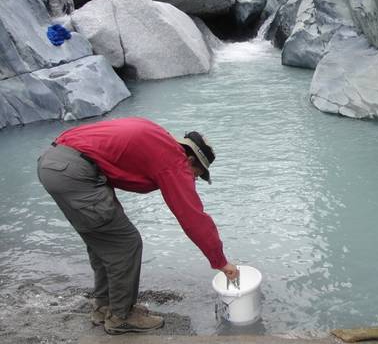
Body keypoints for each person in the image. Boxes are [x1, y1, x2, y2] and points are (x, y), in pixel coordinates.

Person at [37, 117, 239, 335]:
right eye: (197, 174)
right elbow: (192, 217)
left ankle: (104, 306)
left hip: (56, 162)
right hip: (76, 172)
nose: (194, 179)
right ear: (190, 160)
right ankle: (121, 317)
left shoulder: (159, 140)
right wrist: (220, 261)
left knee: (104, 242)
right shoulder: (174, 161)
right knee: (126, 243)